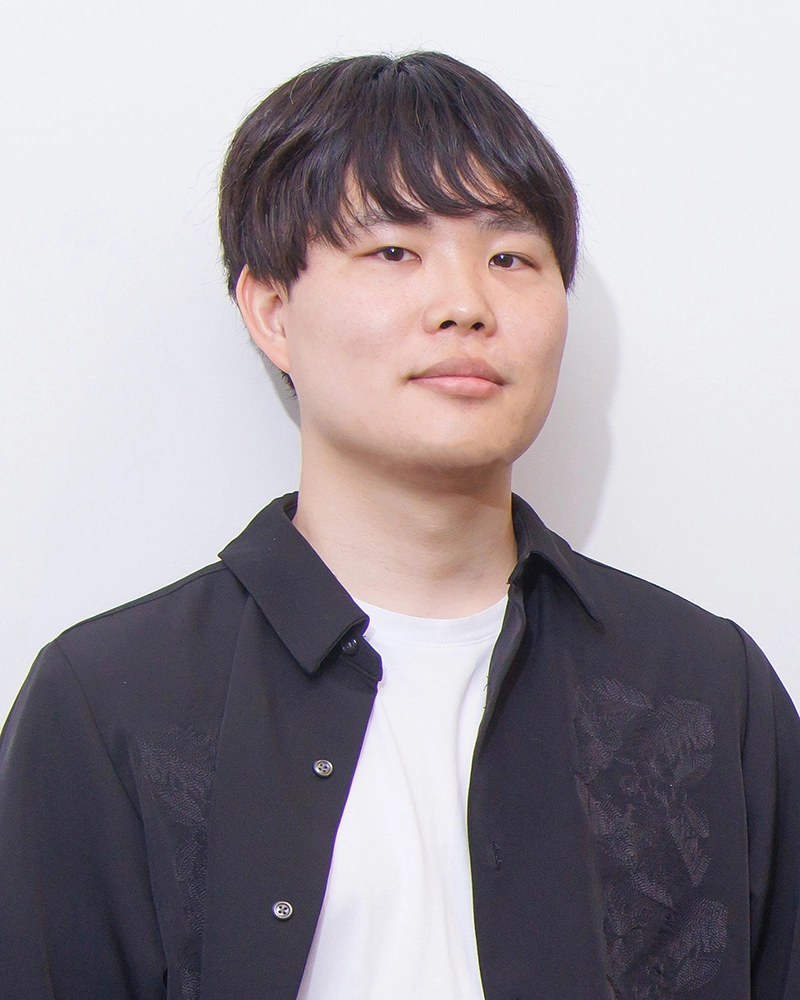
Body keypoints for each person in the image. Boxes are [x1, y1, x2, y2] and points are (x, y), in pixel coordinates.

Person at [1, 51, 798, 1000]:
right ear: (270, 309)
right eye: (394, 252)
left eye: (511, 257)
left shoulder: (707, 689)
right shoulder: (106, 707)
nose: (465, 304)